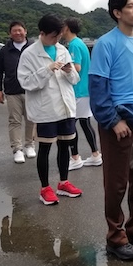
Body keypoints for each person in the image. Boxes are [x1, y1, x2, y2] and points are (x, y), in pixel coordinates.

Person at [89, 0, 133, 261]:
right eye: (130, 6)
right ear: (117, 12)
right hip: (118, 120)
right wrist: (113, 121)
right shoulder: (106, 43)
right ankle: (115, 237)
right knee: (116, 184)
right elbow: (98, 87)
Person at [17, 14, 83, 205]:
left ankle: (63, 183)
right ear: (42, 33)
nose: (56, 40)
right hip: (45, 109)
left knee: (65, 145)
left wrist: (69, 72)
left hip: (65, 106)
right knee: (45, 148)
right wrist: (47, 69)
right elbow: (26, 82)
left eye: (59, 36)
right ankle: (45, 188)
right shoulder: (29, 54)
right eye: (53, 36)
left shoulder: (62, 49)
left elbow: (74, 80)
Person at [62, 18, 102, 170]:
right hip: (85, 89)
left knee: (71, 124)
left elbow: (77, 67)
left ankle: (75, 157)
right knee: (85, 123)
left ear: (67, 28)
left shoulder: (74, 44)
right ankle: (95, 154)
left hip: (78, 90)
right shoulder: (80, 43)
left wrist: (62, 68)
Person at [0, 21, 36, 164]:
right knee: (14, 121)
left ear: (25, 31)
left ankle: (29, 145)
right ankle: (17, 149)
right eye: (14, 31)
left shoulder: (34, 48)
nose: (17, 33)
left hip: (31, 90)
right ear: (10, 33)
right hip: (12, 91)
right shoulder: (5, 50)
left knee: (31, 119)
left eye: (20, 30)